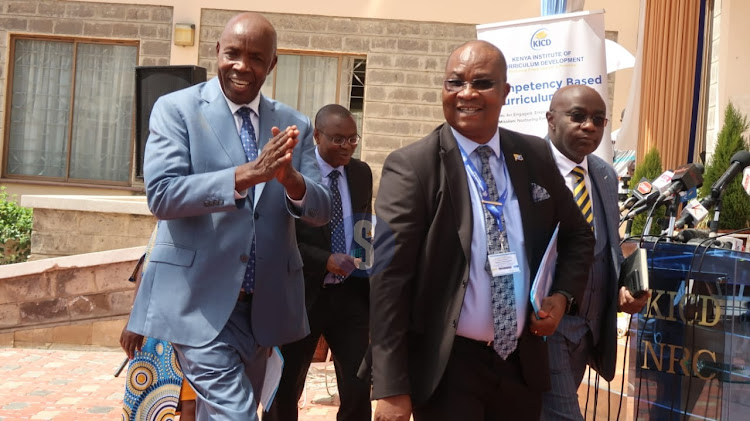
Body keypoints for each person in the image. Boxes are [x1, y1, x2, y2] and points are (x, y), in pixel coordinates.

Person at [369, 40, 596, 421]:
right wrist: (391, 386)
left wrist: (561, 296)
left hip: (520, 366)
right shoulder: (413, 167)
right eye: (454, 83)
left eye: (482, 83)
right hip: (447, 368)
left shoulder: (534, 156)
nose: (467, 94)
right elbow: (389, 280)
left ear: (506, 92)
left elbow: (579, 235)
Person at [126, 12, 331, 420]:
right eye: (233, 53)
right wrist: (246, 175)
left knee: (221, 413)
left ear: (272, 64)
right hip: (197, 300)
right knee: (235, 414)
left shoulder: (294, 124)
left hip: (264, 307)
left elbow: (322, 210)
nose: (242, 65)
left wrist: (292, 182)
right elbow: (162, 194)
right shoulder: (176, 109)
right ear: (217, 51)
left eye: (256, 57)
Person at [541, 85, 650, 420]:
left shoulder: (603, 174)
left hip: (588, 330)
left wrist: (621, 288)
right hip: (546, 327)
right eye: (577, 116)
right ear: (551, 120)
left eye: (598, 120)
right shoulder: (528, 169)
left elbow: (608, 247)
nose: (589, 125)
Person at [263, 104, 373, 421]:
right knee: (286, 387)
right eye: (338, 139)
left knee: (357, 385)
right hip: (302, 296)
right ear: (318, 135)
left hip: (351, 297)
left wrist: (366, 262)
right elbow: (280, 239)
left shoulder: (361, 173)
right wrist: (325, 260)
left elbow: (361, 225)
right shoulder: (293, 175)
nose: (347, 146)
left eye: (353, 139)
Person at [120, 226, 196, 421]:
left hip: (199, 322)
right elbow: (148, 260)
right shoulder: (172, 213)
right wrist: (134, 318)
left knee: (192, 403)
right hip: (159, 322)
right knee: (154, 401)